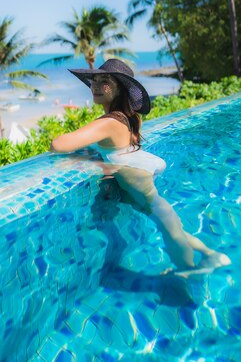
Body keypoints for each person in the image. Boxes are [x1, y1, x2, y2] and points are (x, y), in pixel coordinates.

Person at [50, 59, 231, 275]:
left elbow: (58, 144)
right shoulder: (127, 118)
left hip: (137, 183)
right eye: (94, 80)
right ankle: (211, 255)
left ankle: (190, 272)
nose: (96, 86)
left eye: (104, 81)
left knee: (170, 230)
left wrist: (92, 160)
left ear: (119, 89)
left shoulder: (108, 122)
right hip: (137, 181)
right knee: (170, 225)